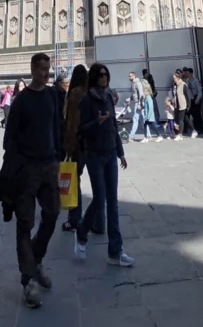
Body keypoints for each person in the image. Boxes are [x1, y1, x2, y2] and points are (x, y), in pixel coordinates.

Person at [0, 52, 62, 309]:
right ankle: (28, 280)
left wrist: (58, 157)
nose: (45, 73)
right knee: (25, 223)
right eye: (41, 69)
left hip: (49, 166)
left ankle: (34, 260)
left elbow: (57, 126)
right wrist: (16, 168)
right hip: (27, 170)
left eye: (48, 68)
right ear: (32, 69)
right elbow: (9, 140)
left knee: (52, 214)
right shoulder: (22, 101)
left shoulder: (51, 96)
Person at [74, 63, 134, 268]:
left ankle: (115, 251)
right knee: (100, 199)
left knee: (113, 201)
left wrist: (121, 152)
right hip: (94, 155)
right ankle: (82, 232)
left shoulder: (108, 96)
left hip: (109, 153)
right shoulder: (86, 100)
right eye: (100, 75)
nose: (103, 77)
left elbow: (114, 126)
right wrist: (96, 122)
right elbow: (81, 130)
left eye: (105, 74)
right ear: (93, 77)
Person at [61, 64, 95, 233]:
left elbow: (72, 123)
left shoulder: (75, 94)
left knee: (74, 182)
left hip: (78, 144)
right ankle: (99, 223)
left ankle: (74, 220)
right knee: (99, 185)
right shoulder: (92, 92)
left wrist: (68, 145)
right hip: (93, 143)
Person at [171, 71, 194, 140]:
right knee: (186, 119)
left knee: (181, 119)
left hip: (183, 104)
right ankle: (194, 130)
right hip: (177, 104)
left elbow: (187, 96)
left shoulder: (183, 84)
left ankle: (180, 134)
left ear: (178, 78)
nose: (173, 79)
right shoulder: (175, 85)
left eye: (174, 78)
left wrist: (188, 105)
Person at [183, 68, 203, 135]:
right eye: (187, 73)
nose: (187, 74)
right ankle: (189, 128)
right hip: (189, 100)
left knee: (197, 115)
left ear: (191, 73)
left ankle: (200, 129)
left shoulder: (195, 81)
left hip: (195, 99)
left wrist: (198, 99)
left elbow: (200, 91)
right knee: (187, 114)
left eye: (188, 73)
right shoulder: (187, 81)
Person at [127, 72, 146, 141]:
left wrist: (139, 104)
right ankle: (148, 134)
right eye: (128, 76)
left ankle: (131, 136)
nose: (129, 77)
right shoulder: (133, 84)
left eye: (130, 76)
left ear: (133, 76)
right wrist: (130, 98)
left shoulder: (138, 83)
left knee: (135, 119)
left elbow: (141, 94)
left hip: (138, 103)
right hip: (137, 103)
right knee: (142, 120)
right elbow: (134, 94)